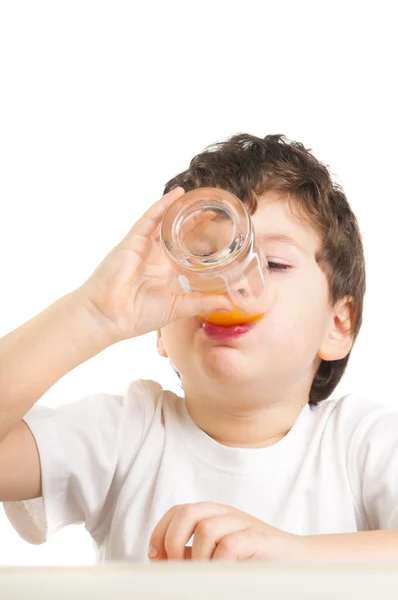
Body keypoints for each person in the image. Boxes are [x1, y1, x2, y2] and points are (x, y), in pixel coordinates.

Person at [1, 133, 397, 563]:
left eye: (274, 264)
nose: (234, 283)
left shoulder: (362, 444)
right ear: (160, 331)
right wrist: (95, 315)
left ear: (338, 325)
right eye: (204, 260)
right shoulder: (125, 434)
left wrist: (291, 554)